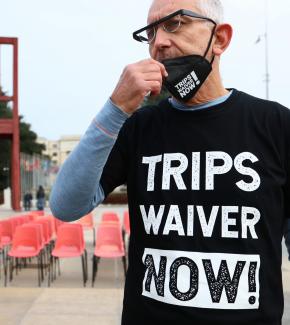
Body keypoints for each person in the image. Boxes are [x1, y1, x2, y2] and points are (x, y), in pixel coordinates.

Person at [50, 0, 290, 324]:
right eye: (150, 33)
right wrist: (116, 108)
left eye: (175, 24)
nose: (158, 42)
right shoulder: (137, 128)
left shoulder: (275, 124)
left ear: (219, 39)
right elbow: (66, 205)